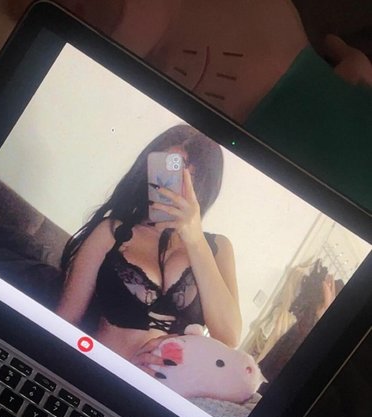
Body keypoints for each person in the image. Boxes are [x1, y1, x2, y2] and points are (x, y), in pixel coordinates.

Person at [56, 125, 241, 375]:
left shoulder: (217, 248)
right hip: (99, 374)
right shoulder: (112, 233)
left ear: (206, 182)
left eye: (192, 174)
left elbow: (229, 337)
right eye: (171, 168)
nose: (179, 183)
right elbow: (64, 322)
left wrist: (195, 240)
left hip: (162, 393)